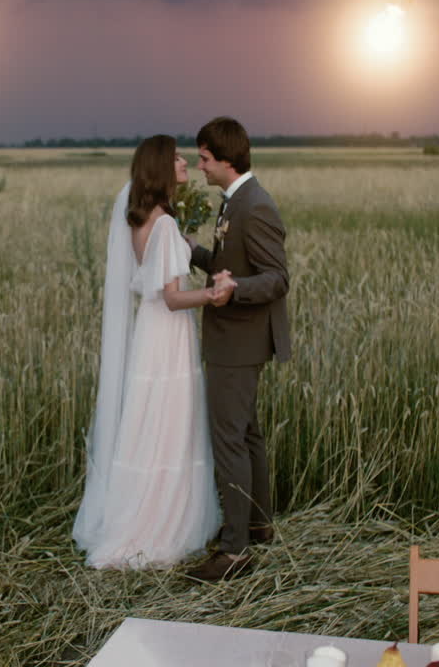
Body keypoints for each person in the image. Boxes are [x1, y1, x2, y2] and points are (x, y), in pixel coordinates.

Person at [73, 135, 235, 569]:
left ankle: (144, 512)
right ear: (161, 167)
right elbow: (173, 298)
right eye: (176, 157)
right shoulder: (162, 225)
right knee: (170, 422)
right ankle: (161, 526)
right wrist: (213, 294)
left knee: (153, 421)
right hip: (166, 332)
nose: (184, 162)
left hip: (151, 330)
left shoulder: (144, 220)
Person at [184, 116, 290, 582]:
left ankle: (233, 553)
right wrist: (192, 251)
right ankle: (258, 525)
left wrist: (236, 290)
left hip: (239, 342)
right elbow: (230, 265)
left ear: (226, 159)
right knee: (246, 436)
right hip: (235, 339)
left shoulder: (255, 205)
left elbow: (277, 278)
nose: (200, 166)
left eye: (204, 158)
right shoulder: (236, 201)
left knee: (229, 441)